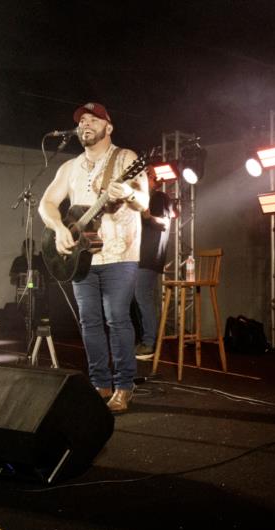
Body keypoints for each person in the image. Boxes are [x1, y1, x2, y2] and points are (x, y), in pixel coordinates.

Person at [39, 102, 149, 413]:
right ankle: (100, 383)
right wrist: (59, 228)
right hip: (81, 258)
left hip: (119, 254)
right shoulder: (70, 167)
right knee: (89, 321)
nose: (85, 124)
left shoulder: (126, 158)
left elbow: (143, 201)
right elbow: (46, 203)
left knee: (117, 318)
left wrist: (127, 194)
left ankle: (124, 386)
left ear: (108, 127)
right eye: (81, 121)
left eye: (93, 120)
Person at [133, 170, 174, 360]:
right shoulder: (141, 198)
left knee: (143, 296)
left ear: (153, 179)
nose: (140, 178)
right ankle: (142, 340)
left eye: (145, 175)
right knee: (135, 297)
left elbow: (164, 223)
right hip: (137, 256)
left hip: (149, 256)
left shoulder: (159, 197)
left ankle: (149, 343)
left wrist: (148, 217)